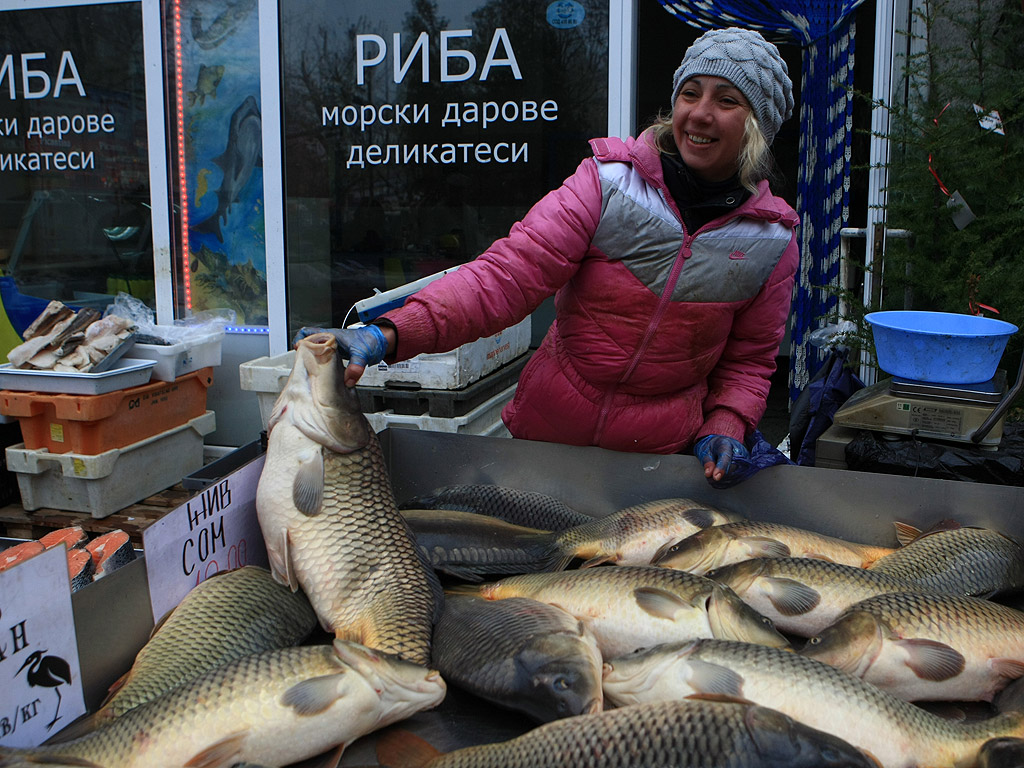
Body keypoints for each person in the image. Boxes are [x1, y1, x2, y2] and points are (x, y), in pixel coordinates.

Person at [296, 27, 798, 486]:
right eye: (691, 93)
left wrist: (728, 423)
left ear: (757, 126)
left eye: (726, 100)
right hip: (547, 438)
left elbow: (749, 361)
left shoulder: (770, 241)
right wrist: (388, 332)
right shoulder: (607, 185)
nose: (699, 113)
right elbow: (505, 277)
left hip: (658, 459)